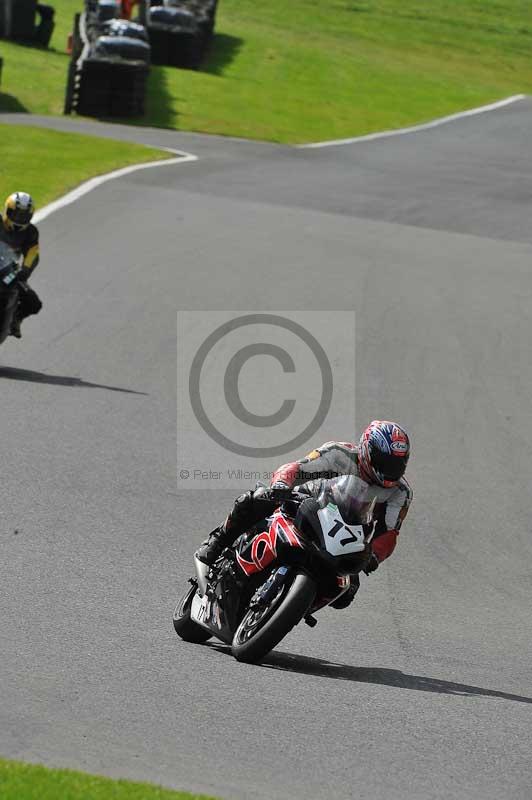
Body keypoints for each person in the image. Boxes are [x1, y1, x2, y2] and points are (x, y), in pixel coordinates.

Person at [196, 420, 413, 608]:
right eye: (385, 462)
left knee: (346, 593)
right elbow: (297, 469)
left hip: (344, 537)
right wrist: (281, 484)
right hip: (307, 505)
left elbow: (389, 533)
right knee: (256, 500)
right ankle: (215, 544)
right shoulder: (339, 454)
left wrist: (374, 556)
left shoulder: (400, 493)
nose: (390, 470)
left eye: (397, 464)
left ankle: (294, 604)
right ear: (367, 449)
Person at [0, 192, 42, 338]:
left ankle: (15, 320)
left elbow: (33, 253)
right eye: (16, 214)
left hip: (10, 271)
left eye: (24, 216)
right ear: (7, 210)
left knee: (34, 303)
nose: (19, 219)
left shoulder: (30, 232)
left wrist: (25, 270)